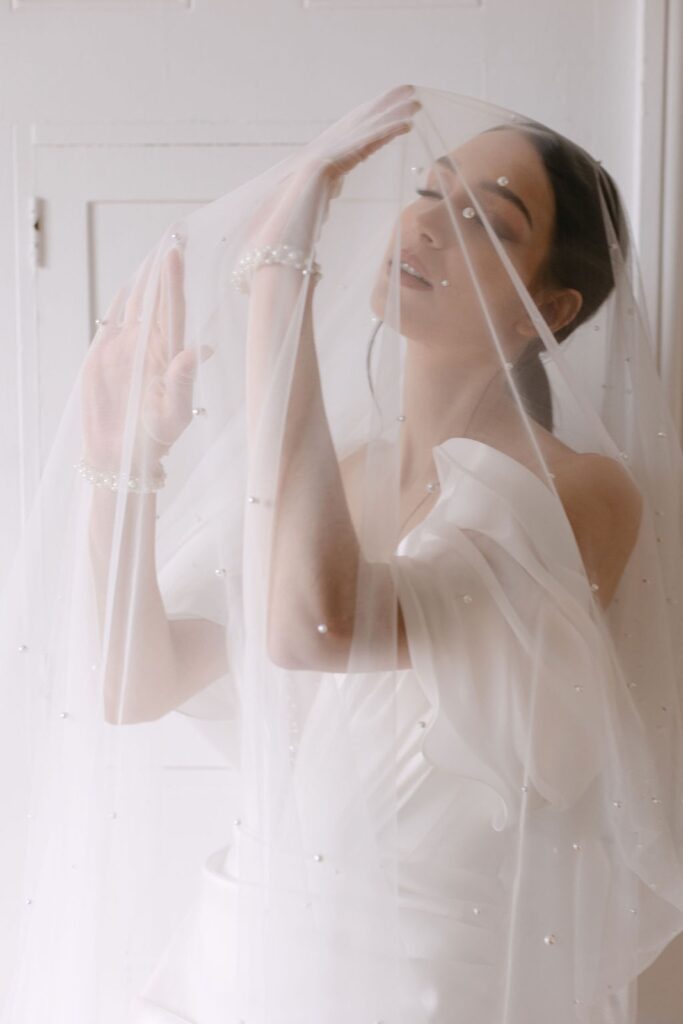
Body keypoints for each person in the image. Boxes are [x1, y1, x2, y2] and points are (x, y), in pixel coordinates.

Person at [2, 85, 683, 1024]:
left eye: (486, 220)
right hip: (246, 949)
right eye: (429, 191)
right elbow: (133, 681)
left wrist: (278, 281)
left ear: (548, 308)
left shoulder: (585, 495)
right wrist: (125, 471)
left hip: (424, 985)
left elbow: (316, 624)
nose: (430, 226)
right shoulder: (340, 470)